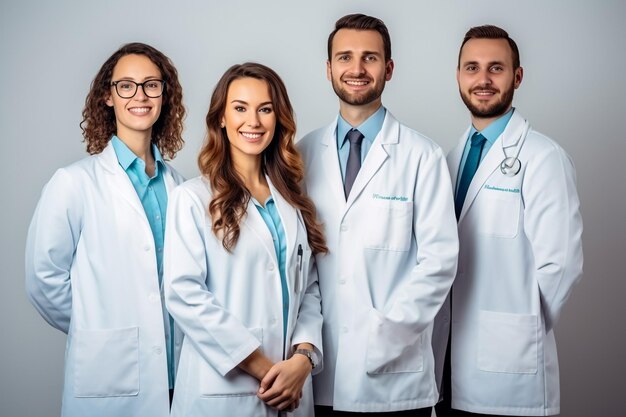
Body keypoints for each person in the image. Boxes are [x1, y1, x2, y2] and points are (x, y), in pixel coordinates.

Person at [297, 13, 459, 416]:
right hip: (318, 374)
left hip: (394, 375)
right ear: (328, 68)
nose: (356, 69)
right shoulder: (300, 155)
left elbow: (439, 263)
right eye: (345, 57)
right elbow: (296, 264)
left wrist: (384, 336)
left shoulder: (422, 156)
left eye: (369, 58)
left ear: (388, 68)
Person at [25, 43, 186, 417]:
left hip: (179, 375)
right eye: (126, 85)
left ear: (165, 94)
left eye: (151, 84)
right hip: (111, 375)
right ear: (108, 97)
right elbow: (42, 280)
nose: (140, 95)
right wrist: (96, 326)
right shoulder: (73, 183)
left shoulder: (181, 187)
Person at [433, 25, 583, 417]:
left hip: (511, 371)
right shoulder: (451, 158)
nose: (482, 79)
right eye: (472, 68)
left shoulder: (544, 157)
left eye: (496, 68)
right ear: (458, 76)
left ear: (517, 76)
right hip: (449, 366)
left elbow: (561, 266)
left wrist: (520, 329)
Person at [163, 62, 326, 417]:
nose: (253, 121)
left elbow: (310, 288)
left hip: (292, 386)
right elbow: (184, 294)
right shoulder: (192, 198)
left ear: (278, 118)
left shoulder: (293, 200)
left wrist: (303, 358)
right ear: (220, 118)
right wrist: (268, 371)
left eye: (265, 109)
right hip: (225, 391)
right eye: (240, 108)